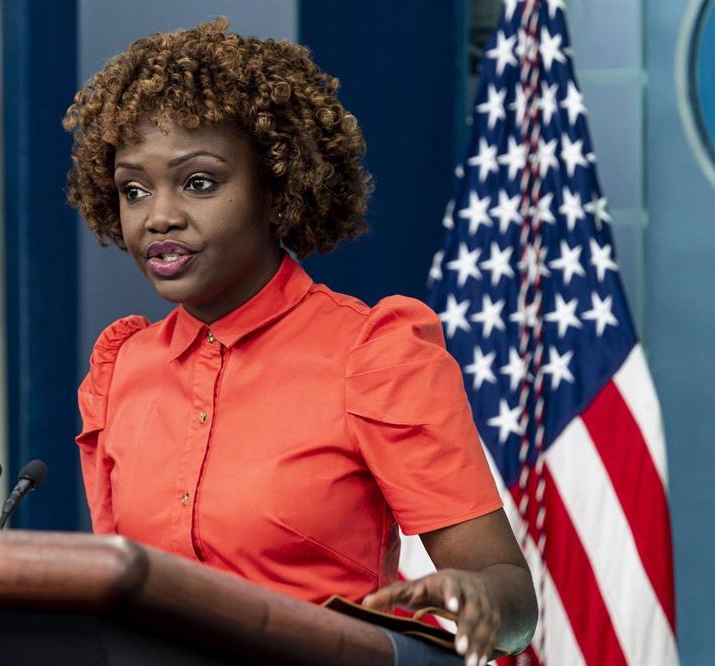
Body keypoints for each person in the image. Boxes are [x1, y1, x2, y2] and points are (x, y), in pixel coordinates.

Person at [64, 18, 536, 665]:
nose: (159, 216)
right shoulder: (121, 371)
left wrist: (477, 596)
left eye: (198, 182)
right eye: (133, 190)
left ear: (276, 188)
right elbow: (117, 598)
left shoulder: (372, 353)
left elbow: (514, 600)